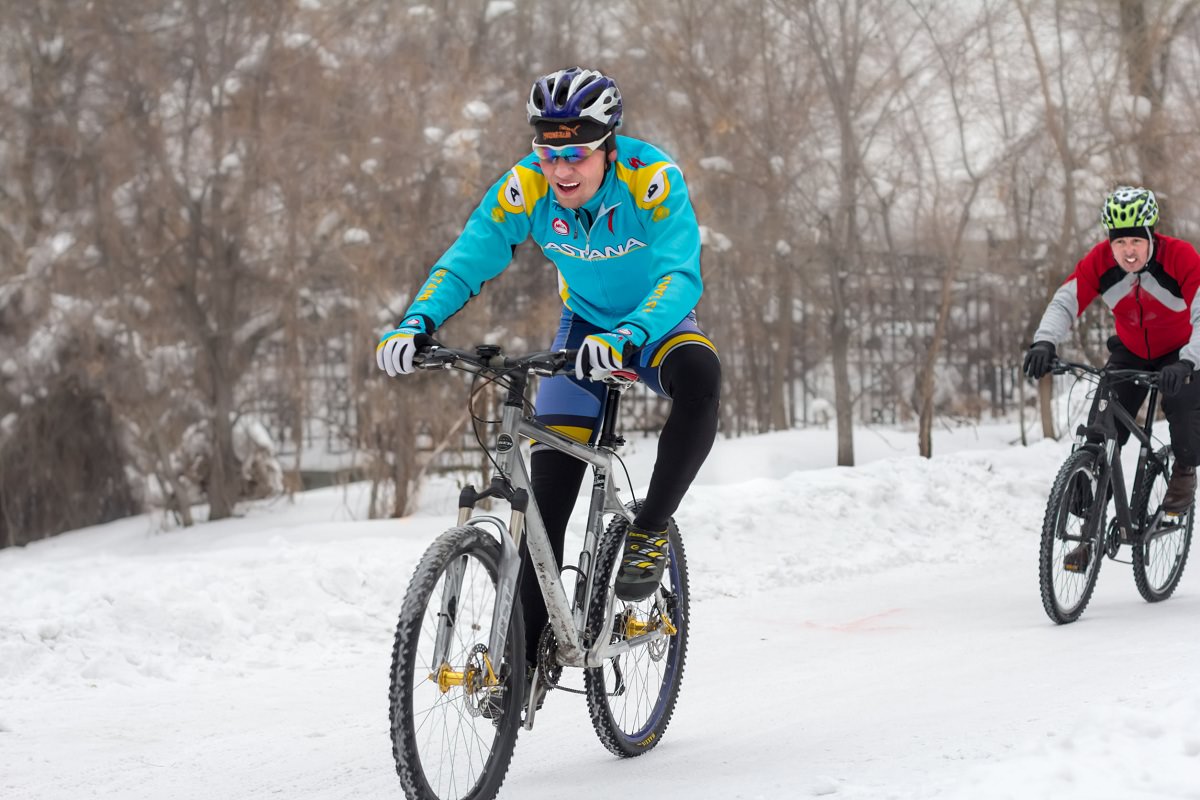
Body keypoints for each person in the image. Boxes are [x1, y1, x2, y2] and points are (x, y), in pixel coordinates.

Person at [376, 67, 720, 675]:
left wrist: (633, 333)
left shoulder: (651, 180)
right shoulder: (526, 187)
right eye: (549, 151)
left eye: (577, 155)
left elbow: (681, 272)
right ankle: (526, 665)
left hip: (655, 322)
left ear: (608, 147)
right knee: (547, 503)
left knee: (700, 376)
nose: (561, 169)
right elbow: (469, 256)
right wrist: (416, 322)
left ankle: (649, 529)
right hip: (584, 328)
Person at [1023, 186, 1200, 541]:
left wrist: (1188, 362)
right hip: (1131, 350)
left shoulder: (1181, 258)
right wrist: (1044, 340)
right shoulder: (1100, 262)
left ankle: (1184, 470)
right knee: (1101, 428)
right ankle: (1090, 524)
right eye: (1120, 243)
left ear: (1152, 235)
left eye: (1136, 240)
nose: (1128, 251)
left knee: (1184, 408)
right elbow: (1066, 300)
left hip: (1180, 353)